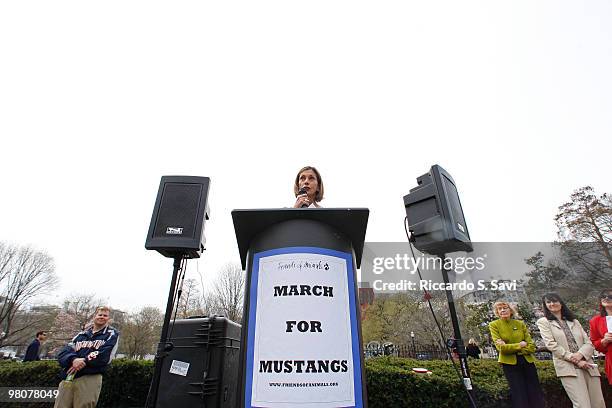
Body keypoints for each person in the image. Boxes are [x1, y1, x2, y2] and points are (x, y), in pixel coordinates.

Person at [536, 293, 605, 408]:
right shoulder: (543, 322)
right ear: (545, 305)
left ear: (561, 302)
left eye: (555, 301)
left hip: (587, 364)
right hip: (568, 368)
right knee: (583, 405)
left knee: (598, 403)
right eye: (548, 302)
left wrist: (580, 355)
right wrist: (576, 360)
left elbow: (588, 342)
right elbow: (551, 345)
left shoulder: (574, 321)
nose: (552, 304)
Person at [54, 306, 119, 408]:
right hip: (69, 377)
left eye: (105, 315)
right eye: (100, 314)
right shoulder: (80, 335)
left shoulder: (111, 334)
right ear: (94, 316)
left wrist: (83, 361)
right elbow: (64, 352)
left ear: (108, 319)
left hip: (89, 377)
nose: (102, 317)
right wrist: (73, 359)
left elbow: (104, 354)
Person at [489, 301, 544, 408]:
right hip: (509, 364)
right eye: (500, 309)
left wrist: (512, 347)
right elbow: (501, 348)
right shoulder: (494, 325)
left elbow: (531, 346)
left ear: (511, 310)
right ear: (497, 312)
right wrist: (520, 345)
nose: (503, 310)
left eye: (505, 308)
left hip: (527, 361)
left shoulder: (520, 324)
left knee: (535, 392)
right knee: (519, 394)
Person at [590, 288, 612, 386]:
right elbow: (595, 343)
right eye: (603, 296)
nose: (606, 298)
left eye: (610, 296)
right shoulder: (595, 321)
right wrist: (604, 340)